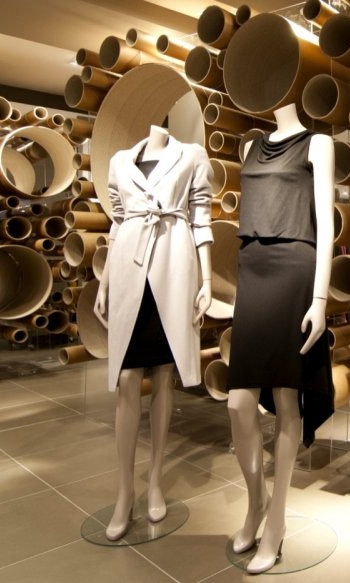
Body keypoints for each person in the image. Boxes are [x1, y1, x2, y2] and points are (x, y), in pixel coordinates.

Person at [225, 102, 335, 574]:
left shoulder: (318, 143)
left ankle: (276, 522)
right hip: (252, 267)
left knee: (288, 399)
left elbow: (326, 225)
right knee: (238, 403)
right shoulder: (250, 145)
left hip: (295, 268)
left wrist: (321, 298)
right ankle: (257, 502)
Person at [94, 125, 213, 541]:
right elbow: (117, 222)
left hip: (173, 266)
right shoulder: (119, 161)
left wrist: (207, 280)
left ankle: (156, 480)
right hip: (129, 267)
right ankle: (125, 491)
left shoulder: (192, 154)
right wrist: (105, 282)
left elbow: (201, 218)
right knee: (127, 378)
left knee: (163, 374)